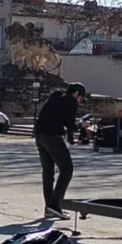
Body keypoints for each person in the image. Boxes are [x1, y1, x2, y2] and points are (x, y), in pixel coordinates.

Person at [35, 82, 86, 218]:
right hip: (53, 137)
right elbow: (70, 124)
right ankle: (55, 205)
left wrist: (70, 138)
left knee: (48, 172)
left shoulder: (54, 97)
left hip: (39, 136)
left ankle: (49, 208)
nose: (80, 102)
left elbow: (60, 119)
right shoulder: (71, 101)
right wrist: (82, 125)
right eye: (81, 99)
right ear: (76, 94)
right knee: (67, 168)